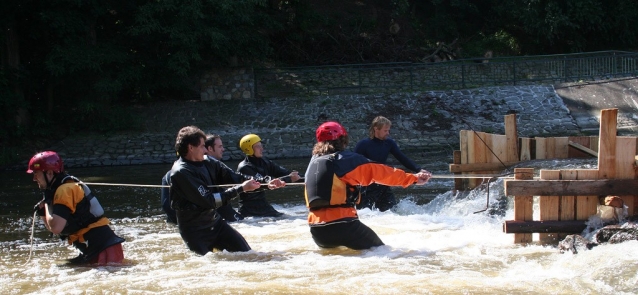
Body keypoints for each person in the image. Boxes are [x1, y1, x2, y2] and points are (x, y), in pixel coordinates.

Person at [304, 121, 431, 250]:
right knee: (382, 252)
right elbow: (380, 173)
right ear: (343, 140)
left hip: (317, 231)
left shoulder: (313, 163)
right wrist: (413, 179)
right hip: (342, 225)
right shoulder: (343, 160)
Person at [169, 126, 285, 255]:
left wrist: (266, 183)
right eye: (202, 146)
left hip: (216, 224)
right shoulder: (182, 172)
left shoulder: (209, 162)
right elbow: (210, 201)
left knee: (249, 255)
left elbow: (235, 178)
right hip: (195, 232)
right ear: (191, 147)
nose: (205, 150)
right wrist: (241, 189)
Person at [28, 151, 125, 265]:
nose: (34, 178)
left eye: (36, 173)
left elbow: (56, 228)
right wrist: (43, 213)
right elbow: (53, 227)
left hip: (104, 250)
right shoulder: (60, 190)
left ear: (49, 173)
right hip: (99, 248)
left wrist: (47, 205)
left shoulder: (64, 191)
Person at [160, 134, 244, 224]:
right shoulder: (177, 174)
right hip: (195, 224)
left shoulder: (211, 168)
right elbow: (167, 206)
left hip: (210, 218)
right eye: (203, 147)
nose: (205, 151)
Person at [354, 116, 427, 211]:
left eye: (388, 130)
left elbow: (402, 158)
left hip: (384, 184)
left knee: (392, 211)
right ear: (376, 129)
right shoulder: (363, 145)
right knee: (367, 214)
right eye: (385, 131)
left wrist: (419, 170)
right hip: (367, 187)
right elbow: (353, 165)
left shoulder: (389, 143)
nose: (388, 133)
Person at [237, 134, 301, 217]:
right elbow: (261, 182)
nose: (261, 149)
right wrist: (289, 179)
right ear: (249, 149)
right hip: (249, 211)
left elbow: (284, 172)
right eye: (257, 146)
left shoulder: (265, 161)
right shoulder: (244, 167)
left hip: (264, 206)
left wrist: (306, 177)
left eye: (261, 145)